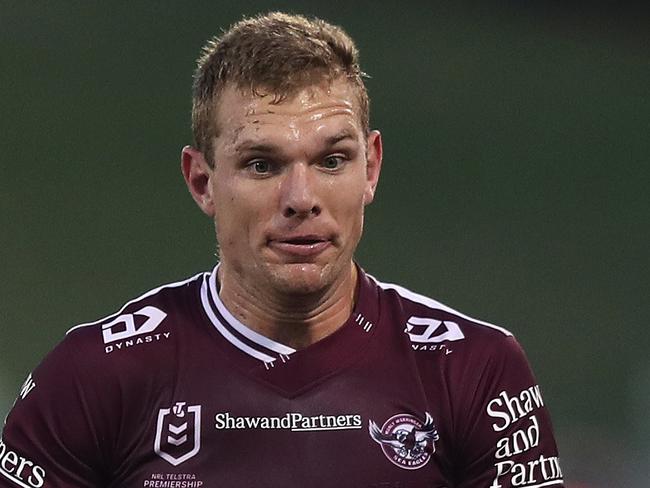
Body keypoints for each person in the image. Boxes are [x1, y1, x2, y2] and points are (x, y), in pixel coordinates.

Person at [1, 12, 564, 488]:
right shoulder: (94, 375)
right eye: (262, 165)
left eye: (331, 160)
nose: (301, 199)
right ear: (202, 182)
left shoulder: (474, 370)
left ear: (372, 168)